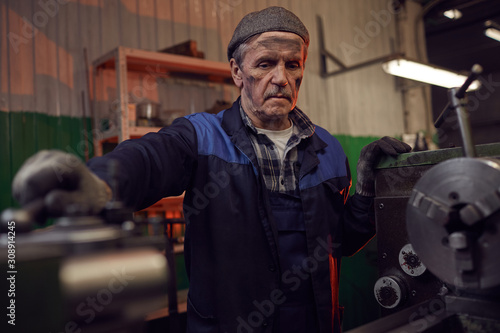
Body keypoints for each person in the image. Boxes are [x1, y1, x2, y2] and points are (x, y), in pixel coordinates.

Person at [12, 6, 411, 333]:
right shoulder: (203, 137)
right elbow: (151, 157)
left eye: (292, 64)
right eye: (265, 63)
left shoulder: (327, 149)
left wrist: (367, 195)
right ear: (237, 73)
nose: (281, 77)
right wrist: (99, 183)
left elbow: (337, 242)